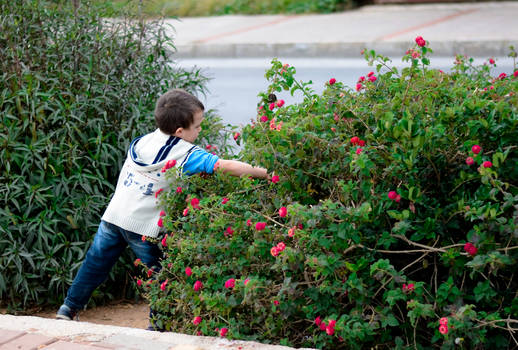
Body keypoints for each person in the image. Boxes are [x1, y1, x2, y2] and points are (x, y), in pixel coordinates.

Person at [56, 89, 268, 326]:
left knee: (95, 264)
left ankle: (68, 308)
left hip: (114, 216)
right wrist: (264, 173)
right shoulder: (185, 154)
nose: (200, 131)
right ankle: (157, 325)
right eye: (197, 127)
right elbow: (225, 165)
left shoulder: (142, 141)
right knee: (162, 275)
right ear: (180, 131)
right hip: (144, 227)